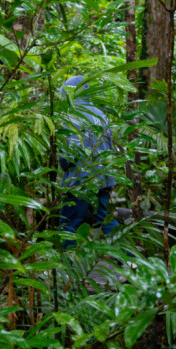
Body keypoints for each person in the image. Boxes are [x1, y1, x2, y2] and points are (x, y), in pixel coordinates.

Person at [57, 75, 120, 246]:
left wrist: (64, 167)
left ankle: (66, 267)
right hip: (103, 177)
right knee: (106, 220)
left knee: (69, 222)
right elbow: (109, 146)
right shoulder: (101, 114)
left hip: (80, 180)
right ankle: (128, 258)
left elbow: (69, 153)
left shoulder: (73, 115)